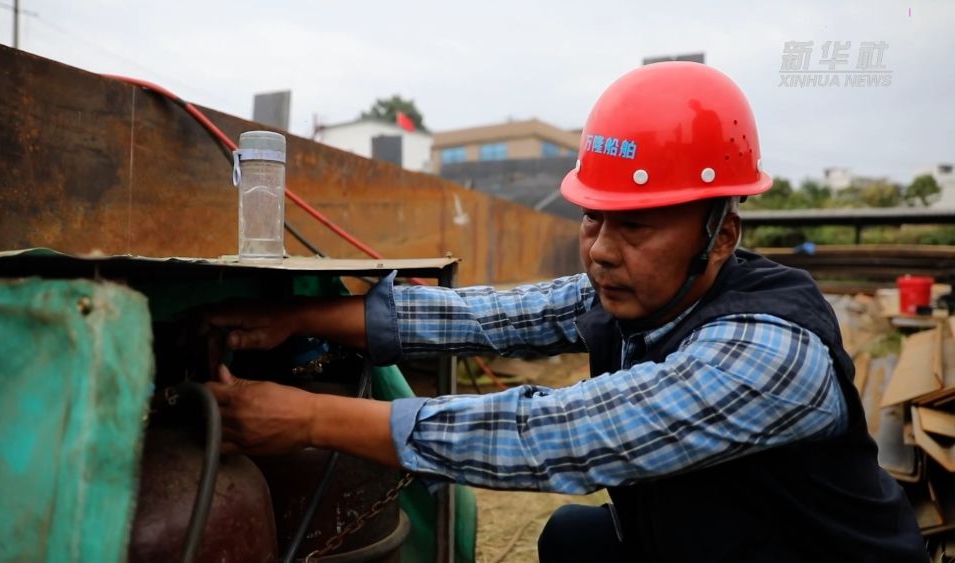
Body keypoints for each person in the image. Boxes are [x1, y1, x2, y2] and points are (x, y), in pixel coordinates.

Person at [204, 62, 925, 562]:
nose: (602, 250)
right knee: (575, 540)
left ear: (721, 235)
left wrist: (307, 419)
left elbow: (558, 435)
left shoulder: (769, 354)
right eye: (592, 218)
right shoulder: (639, 291)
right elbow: (483, 317)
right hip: (716, 539)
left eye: (635, 225)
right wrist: (295, 318)